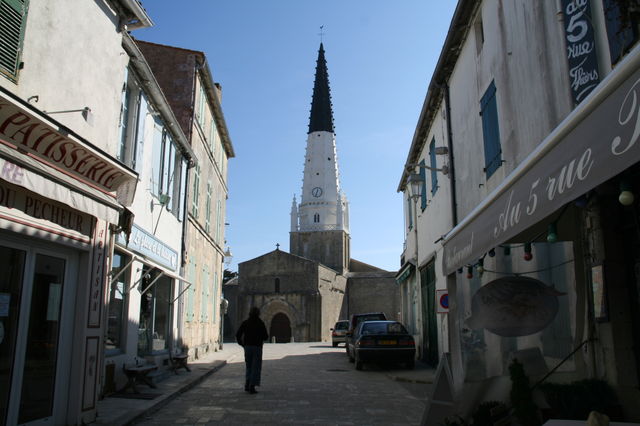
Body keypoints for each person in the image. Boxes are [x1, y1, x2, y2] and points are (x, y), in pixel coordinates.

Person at [235, 306, 269, 394]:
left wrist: (242, 344)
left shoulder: (246, 322)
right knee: (256, 367)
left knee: (249, 366)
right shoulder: (260, 323)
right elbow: (266, 336)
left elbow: (238, 334)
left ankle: (247, 383)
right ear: (258, 314)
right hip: (257, 347)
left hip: (248, 347)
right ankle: (252, 386)